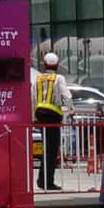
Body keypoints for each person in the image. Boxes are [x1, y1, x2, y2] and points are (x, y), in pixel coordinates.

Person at [33, 58, 68, 191]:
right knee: (52, 151)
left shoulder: (37, 79)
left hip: (41, 115)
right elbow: (66, 95)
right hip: (53, 116)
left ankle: (42, 180)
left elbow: (33, 97)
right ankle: (47, 182)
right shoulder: (59, 78)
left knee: (46, 149)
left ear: (44, 65)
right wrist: (71, 109)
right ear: (57, 65)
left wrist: (34, 117)